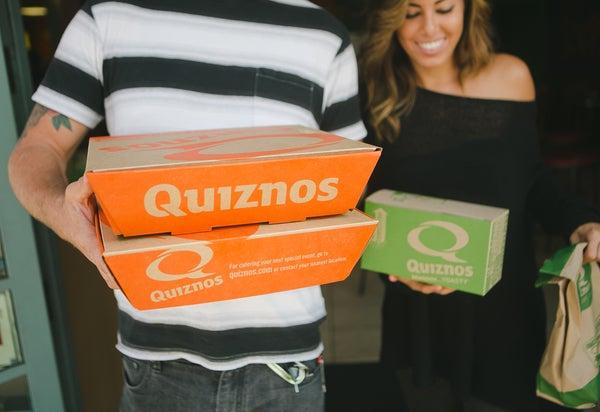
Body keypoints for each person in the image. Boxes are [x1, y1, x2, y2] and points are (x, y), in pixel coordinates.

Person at [7, 1, 366, 410]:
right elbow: (38, 147)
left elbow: (350, 177)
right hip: (157, 359)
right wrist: (65, 216)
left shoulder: (323, 35)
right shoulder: (107, 17)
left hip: (286, 362)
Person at [359, 0, 600, 411]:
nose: (429, 28)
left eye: (444, 8)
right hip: (418, 315)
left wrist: (581, 221)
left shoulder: (511, 77)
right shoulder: (375, 91)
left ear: (467, 10)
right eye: (411, 12)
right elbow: (362, 206)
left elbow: (532, 180)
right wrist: (393, 269)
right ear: (391, 19)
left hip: (505, 309)